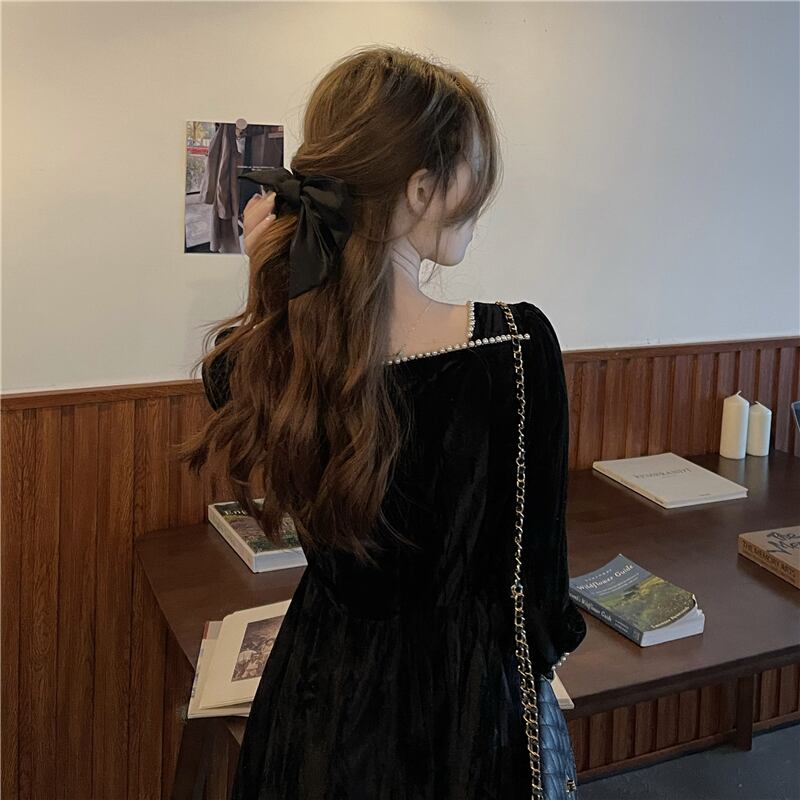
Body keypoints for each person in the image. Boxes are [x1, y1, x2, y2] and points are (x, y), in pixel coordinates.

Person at [177, 44, 587, 800]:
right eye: (471, 171)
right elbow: (539, 599)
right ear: (422, 188)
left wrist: (268, 272)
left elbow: (229, 370)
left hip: (317, 700)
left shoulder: (268, 356)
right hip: (462, 717)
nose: (480, 196)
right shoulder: (513, 347)